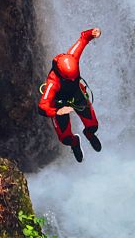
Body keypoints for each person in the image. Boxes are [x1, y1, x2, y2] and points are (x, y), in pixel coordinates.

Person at [38, 28, 102, 162]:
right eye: (70, 78)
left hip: (76, 93)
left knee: (93, 125)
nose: (73, 79)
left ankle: (89, 134)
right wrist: (58, 111)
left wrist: (93, 33)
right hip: (59, 103)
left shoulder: (72, 56)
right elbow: (42, 107)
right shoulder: (52, 82)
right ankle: (75, 143)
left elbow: (83, 38)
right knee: (65, 138)